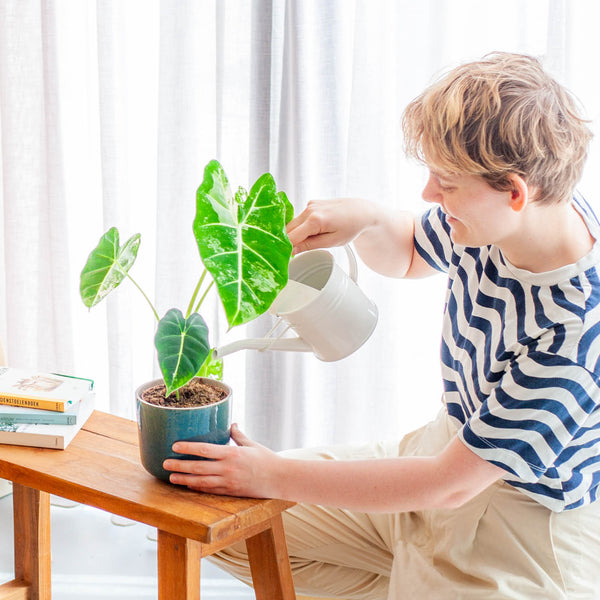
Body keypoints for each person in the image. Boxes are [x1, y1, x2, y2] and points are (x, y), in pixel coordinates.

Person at [164, 52, 600, 599]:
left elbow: (449, 486)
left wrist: (269, 473)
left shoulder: (574, 337)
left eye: (446, 183)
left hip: (518, 524)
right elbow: (415, 251)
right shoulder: (504, 222)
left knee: (256, 487)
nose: (429, 195)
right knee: (223, 515)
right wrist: (366, 220)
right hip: (442, 451)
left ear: (514, 190)